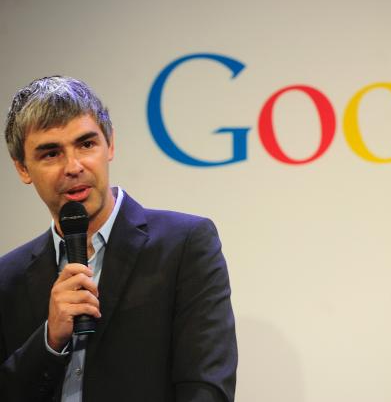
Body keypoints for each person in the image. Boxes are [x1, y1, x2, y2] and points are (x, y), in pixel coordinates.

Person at [0, 76, 238, 401]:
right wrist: (49, 340)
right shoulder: (7, 277)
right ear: (23, 169)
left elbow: (206, 384)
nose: (74, 166)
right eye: (51, 153)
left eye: (86, 144)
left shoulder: (184, 245)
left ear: (109, 144)